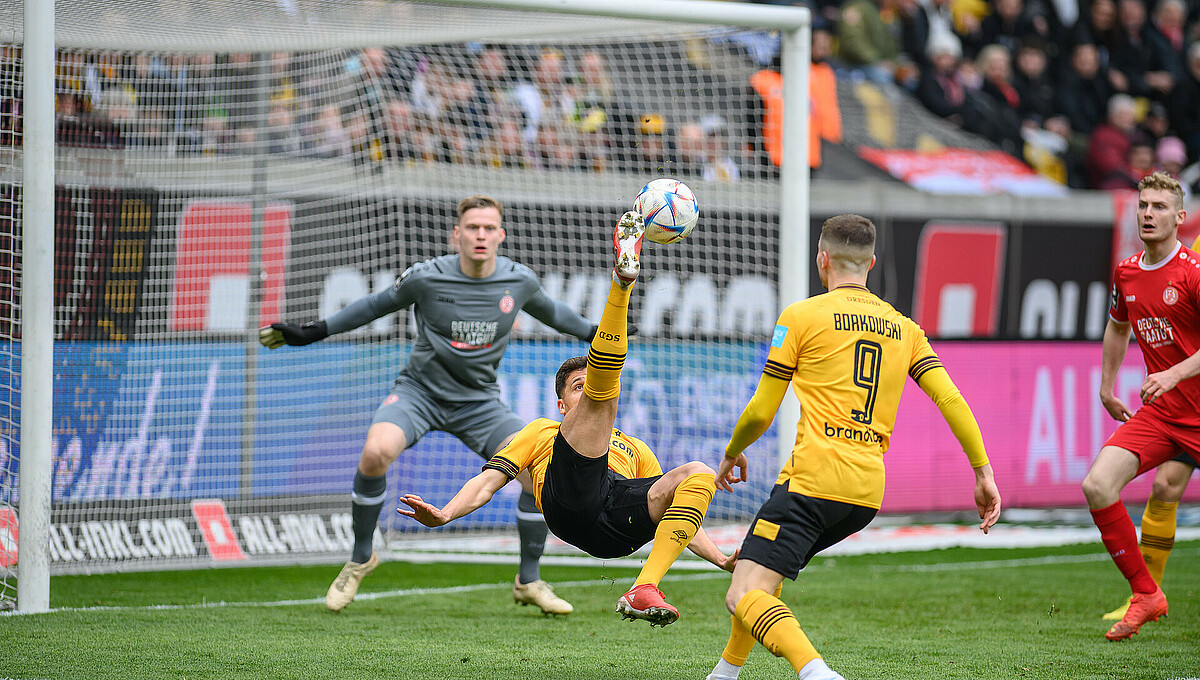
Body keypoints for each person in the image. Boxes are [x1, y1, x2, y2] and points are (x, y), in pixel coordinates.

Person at [259, 195, 596, 615]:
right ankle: (361, 556)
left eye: (489, 228)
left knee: (533, 470)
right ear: (457, 234)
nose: (480, 235)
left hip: (479, 402)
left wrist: (603, 331)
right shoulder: (426, 277)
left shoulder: (519, 281)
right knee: (376, 451)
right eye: (472, 227)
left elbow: (557, 314)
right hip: (419, 393)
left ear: (501, 236)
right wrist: (315, 330)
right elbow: (374, 306)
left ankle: (528, 581)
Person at [399, 212, 736, 626]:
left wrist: (720, 558)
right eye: (578, 386)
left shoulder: (635, 448)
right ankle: (622, 283)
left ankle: (644, 587)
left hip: (615, 529)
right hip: (568, 506)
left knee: (698, 475)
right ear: (561, 405)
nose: (587, 388)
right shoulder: (542, 431)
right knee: (605, 388)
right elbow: (489, 480)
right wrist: (446, 513)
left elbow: (673, 510)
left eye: (587, 384)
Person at [705, 214, 1001, 680]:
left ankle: (816, 672)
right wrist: (982, 472)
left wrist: (731, 452)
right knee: (760, 567)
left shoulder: (801, 316)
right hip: (865, 494)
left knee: (742, 593)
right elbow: (951, 399)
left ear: (822, 259)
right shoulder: (904, 327)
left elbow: (762, 410)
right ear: (872, 263)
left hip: (813, 481)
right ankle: (725, 673)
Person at [1082, 171, 1200, 641]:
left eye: (1159, 207)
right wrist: (1107, 386)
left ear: (1180, 217)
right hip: (1165, 414)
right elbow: (1117, 326)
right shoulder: (1127, 270)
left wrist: (1173, 372)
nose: (1148, 214)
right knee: (1097, 485)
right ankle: (1146, 593)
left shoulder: (1192, 273)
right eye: (1143, 206)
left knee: (1167, 489)